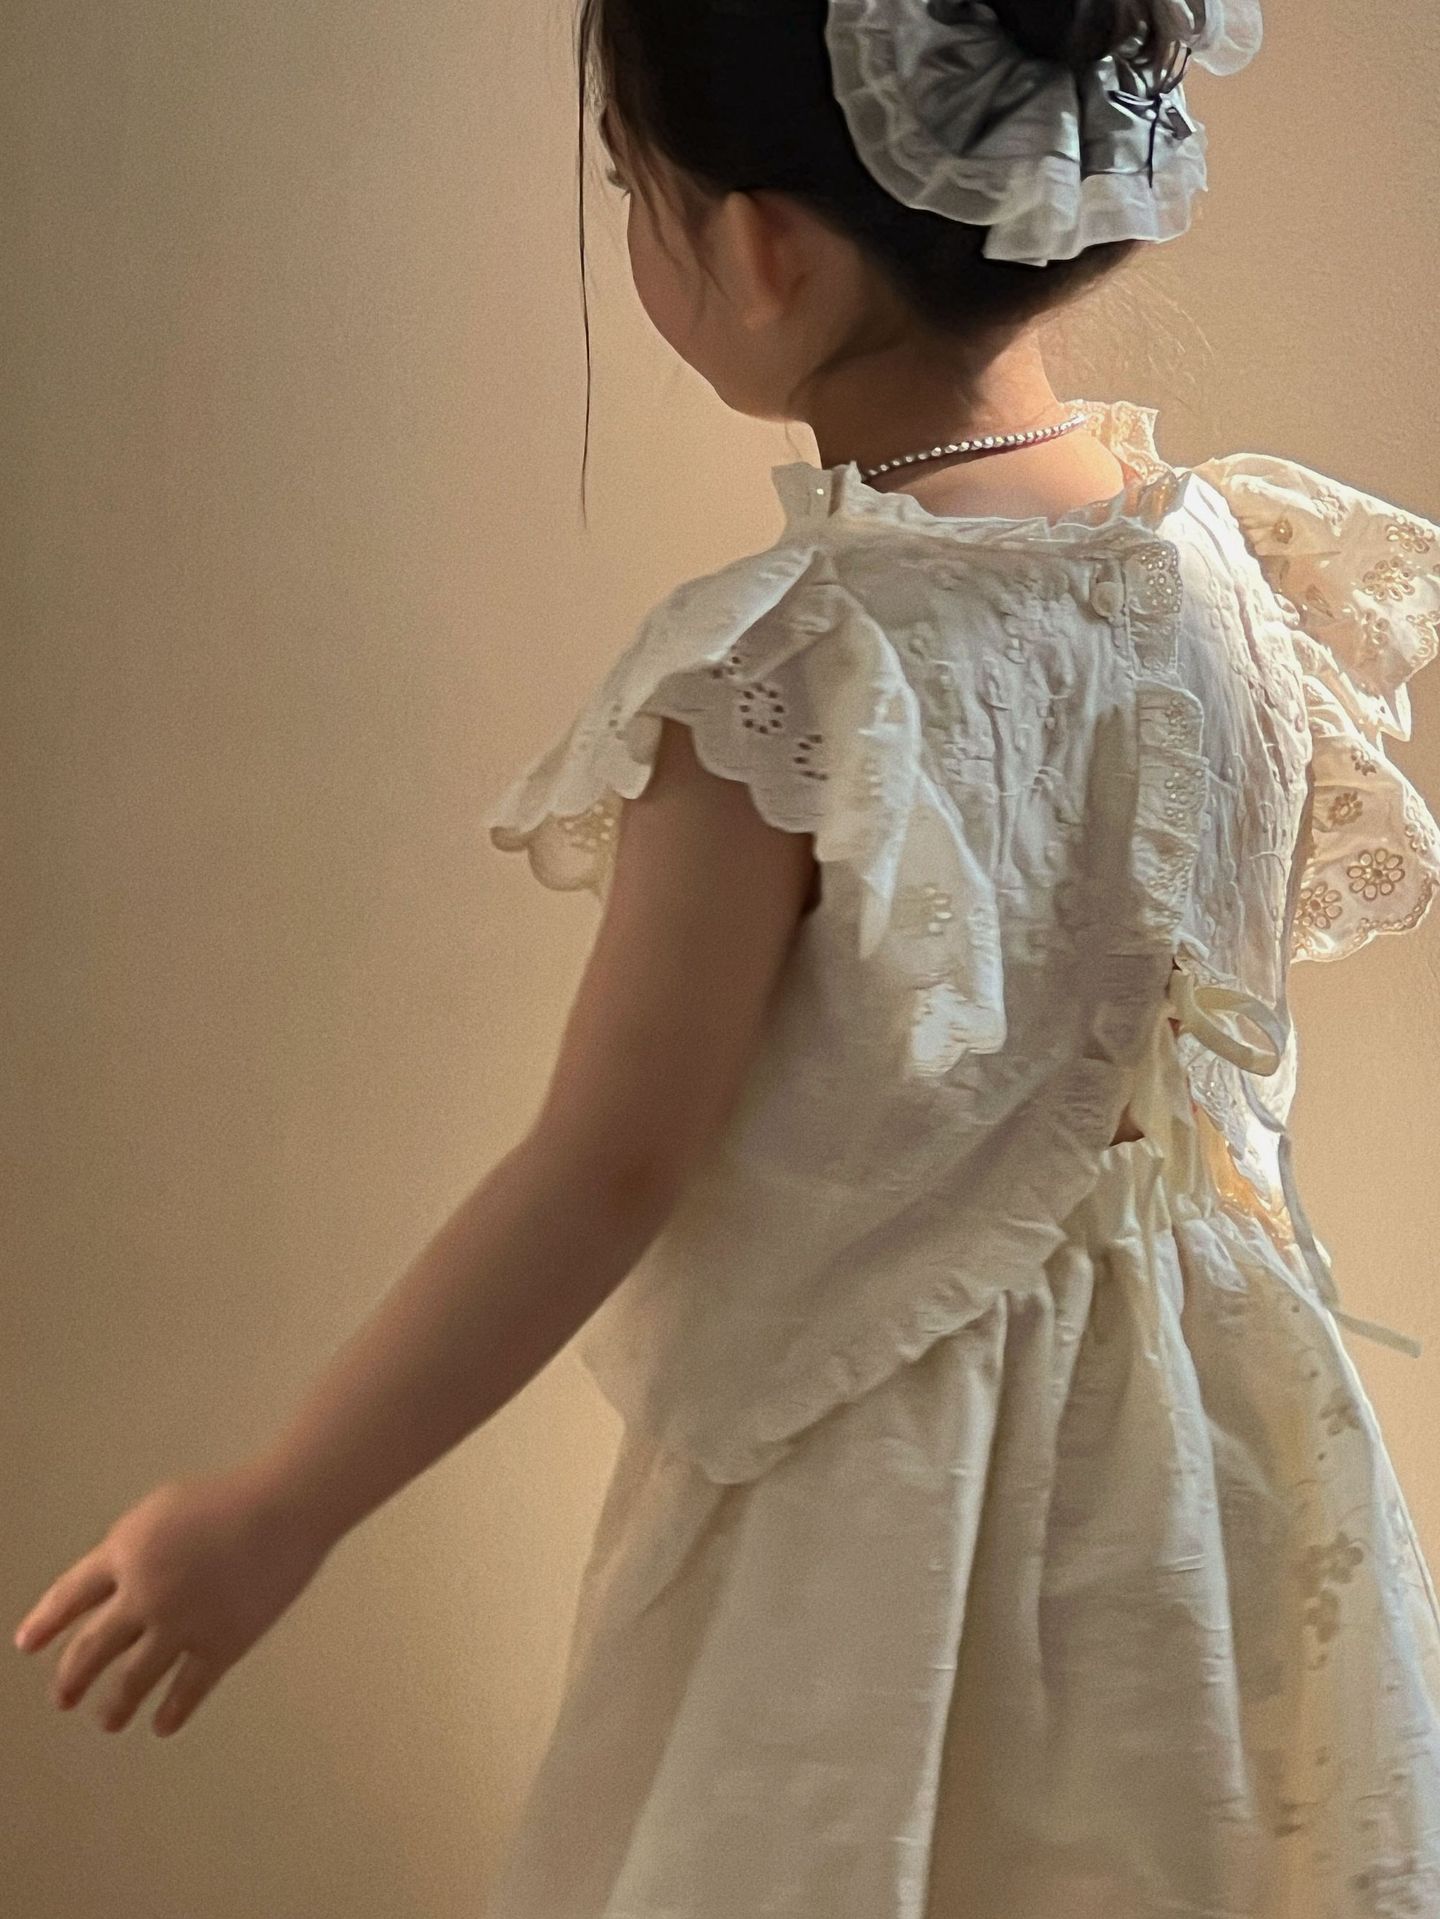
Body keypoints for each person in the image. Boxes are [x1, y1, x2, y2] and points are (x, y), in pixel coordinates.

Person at [14, 0, 1440, 1912]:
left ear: (761, 249)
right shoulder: (1222, 575)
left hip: (892, 1507)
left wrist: (282, 1508)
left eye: (637, 187)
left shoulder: (795, 666)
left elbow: (606, 1164)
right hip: (1222, 1475)